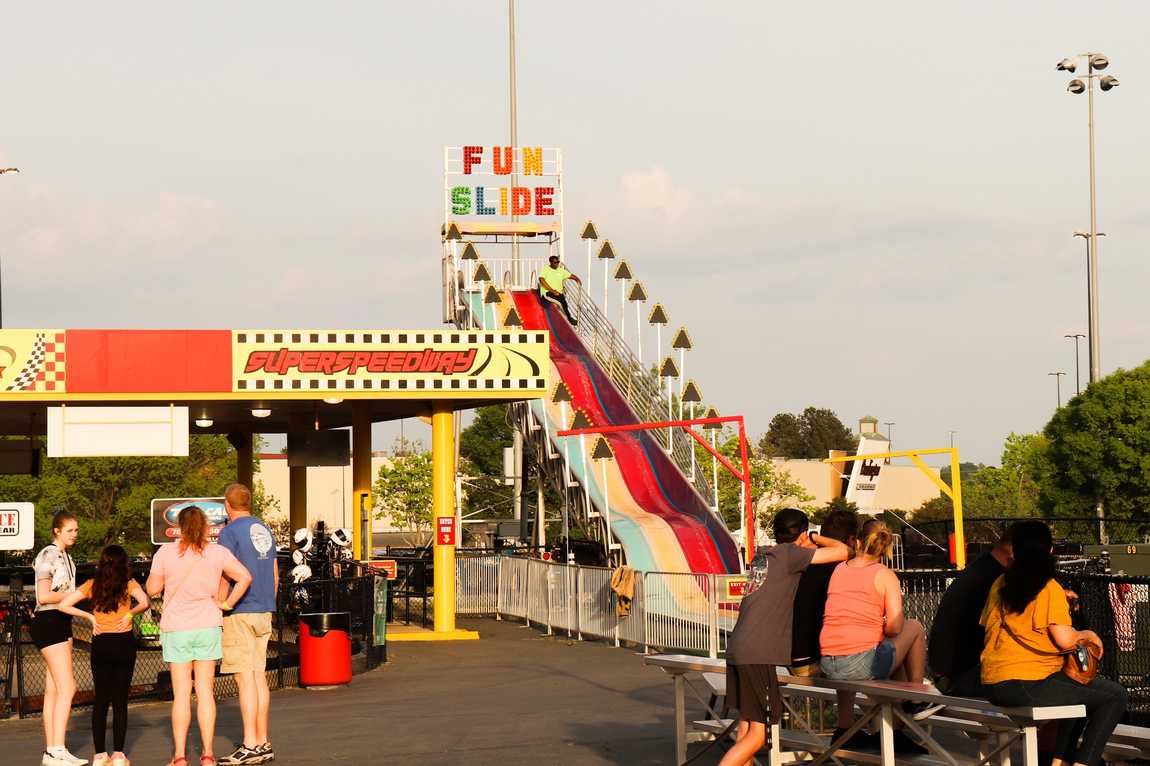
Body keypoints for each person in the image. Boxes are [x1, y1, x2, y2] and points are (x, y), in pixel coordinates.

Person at [980, 520, 1126, 766]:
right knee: (1115, 696)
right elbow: (1064, 640)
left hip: (993, 683)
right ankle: (1085, 763)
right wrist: (1089, 634)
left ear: (1014, 551)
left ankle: (1059, 761)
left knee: (1078, 691)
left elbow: (991, 626)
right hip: (1027, 683)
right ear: (1049, 551)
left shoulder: (999, 583)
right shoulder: (1048, 587)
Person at [719, 508, 849, 766]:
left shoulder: (764, 556)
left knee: (746, 727)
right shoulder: (792, 555)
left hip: (738, 646)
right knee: (759, 735)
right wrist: (815, 537)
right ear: (800, 534)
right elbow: (844, 551)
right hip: (758, 651)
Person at [147, 506, 252, 766]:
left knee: (182, 693)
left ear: (179, 526)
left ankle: (180, 755)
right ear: (205, 525)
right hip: (208, 624)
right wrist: (226, 603)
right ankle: (207, 754)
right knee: (205, 691)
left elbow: (152, 589)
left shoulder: (166, 553)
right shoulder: (217, 552)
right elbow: (244, 577)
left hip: (177, 628)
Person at [820, 522, 934, 752]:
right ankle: (917, 698)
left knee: (853, 651)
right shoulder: (884, 574)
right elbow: (893, 627)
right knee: (914, 627)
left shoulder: (839, 569)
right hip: (862, 663)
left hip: (829, 661)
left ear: (858, 541)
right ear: (885, 548)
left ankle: (845, 728)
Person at [59, 545, 151, 766]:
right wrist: (130, 613)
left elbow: (64, 604)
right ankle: (119, 754)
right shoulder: (129, 584)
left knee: (101, 700)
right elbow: (146, 602)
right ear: (123, 563)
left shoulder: (93, 584)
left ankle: (100, 754)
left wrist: (90, 618)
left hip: (101, 643)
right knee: (120, 702)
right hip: (124, 643)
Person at [216, 484, 279, 766]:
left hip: (240, 610)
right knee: (258, 676)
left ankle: (250, 744)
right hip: (264, 608)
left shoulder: (229, 532)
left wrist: (221, 604)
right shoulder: (264, 529)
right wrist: (269, 601)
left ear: (227, 506)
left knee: (244, 678)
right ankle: (263, 740)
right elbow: (275, 573)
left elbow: (225, 572)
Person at [928, 524, 1017, 697]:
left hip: (947, 671)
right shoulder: (997, 579)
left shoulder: (982, 568)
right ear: (1014, 550)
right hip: (964, 675)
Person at [31, 510, 87, 766]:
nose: (74, 534)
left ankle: (53, 751)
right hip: (48, 621)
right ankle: (56, 749)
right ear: (57, 531)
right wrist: (76, 594)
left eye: (76, 530)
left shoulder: (67, 556)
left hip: (61, 622)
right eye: (70, 530)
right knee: (68, 687)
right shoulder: (48, 554)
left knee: (53, 689)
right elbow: (43, 596)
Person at [789, 508, 860, 676]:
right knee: (886, 651)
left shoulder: (806, 562)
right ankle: (902, 700)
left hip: (791, 657)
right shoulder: (844, 568)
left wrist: (814, 537)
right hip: (817, 661)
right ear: (852, 539)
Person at [538, 254, 581, 326]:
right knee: (560, 302)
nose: (557, 264)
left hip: (558, 294)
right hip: (547, 293)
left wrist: (577, 279)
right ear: (551, 262)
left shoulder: (561, 271)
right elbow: (541, 279)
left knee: (564, 303)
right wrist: (552, 290)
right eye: (555, 262)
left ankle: (569, 318)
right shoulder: (545, 269)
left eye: (558, 262)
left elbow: (570, 275)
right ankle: (567, 318)